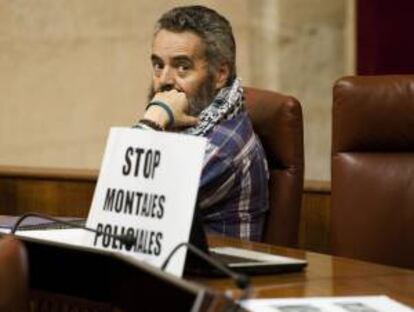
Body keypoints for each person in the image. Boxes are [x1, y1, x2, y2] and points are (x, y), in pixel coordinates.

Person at [134, 5, 269, 241]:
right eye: (158, 65)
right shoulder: (184, 127)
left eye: (182, 67)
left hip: (212, 278)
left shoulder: (221, 148)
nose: (164, 80)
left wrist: (153, 119)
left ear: (220, 74)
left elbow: (127, 205)